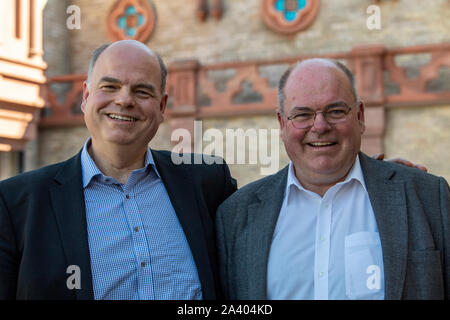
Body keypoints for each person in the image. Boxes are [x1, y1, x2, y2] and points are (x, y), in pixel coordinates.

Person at [0, 40, 236, 300]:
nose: (124, 100)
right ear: (86, 96)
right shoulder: (16, 204)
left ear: (162, 107)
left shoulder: (209, 183)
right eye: (110, 86)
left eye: (143, 91)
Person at [216, 58, 449, 300]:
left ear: (359, 115)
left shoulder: (428, 196)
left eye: (336, 111)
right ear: (281, 123)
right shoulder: (236, 216)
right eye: (302, 114)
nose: (320, 126)